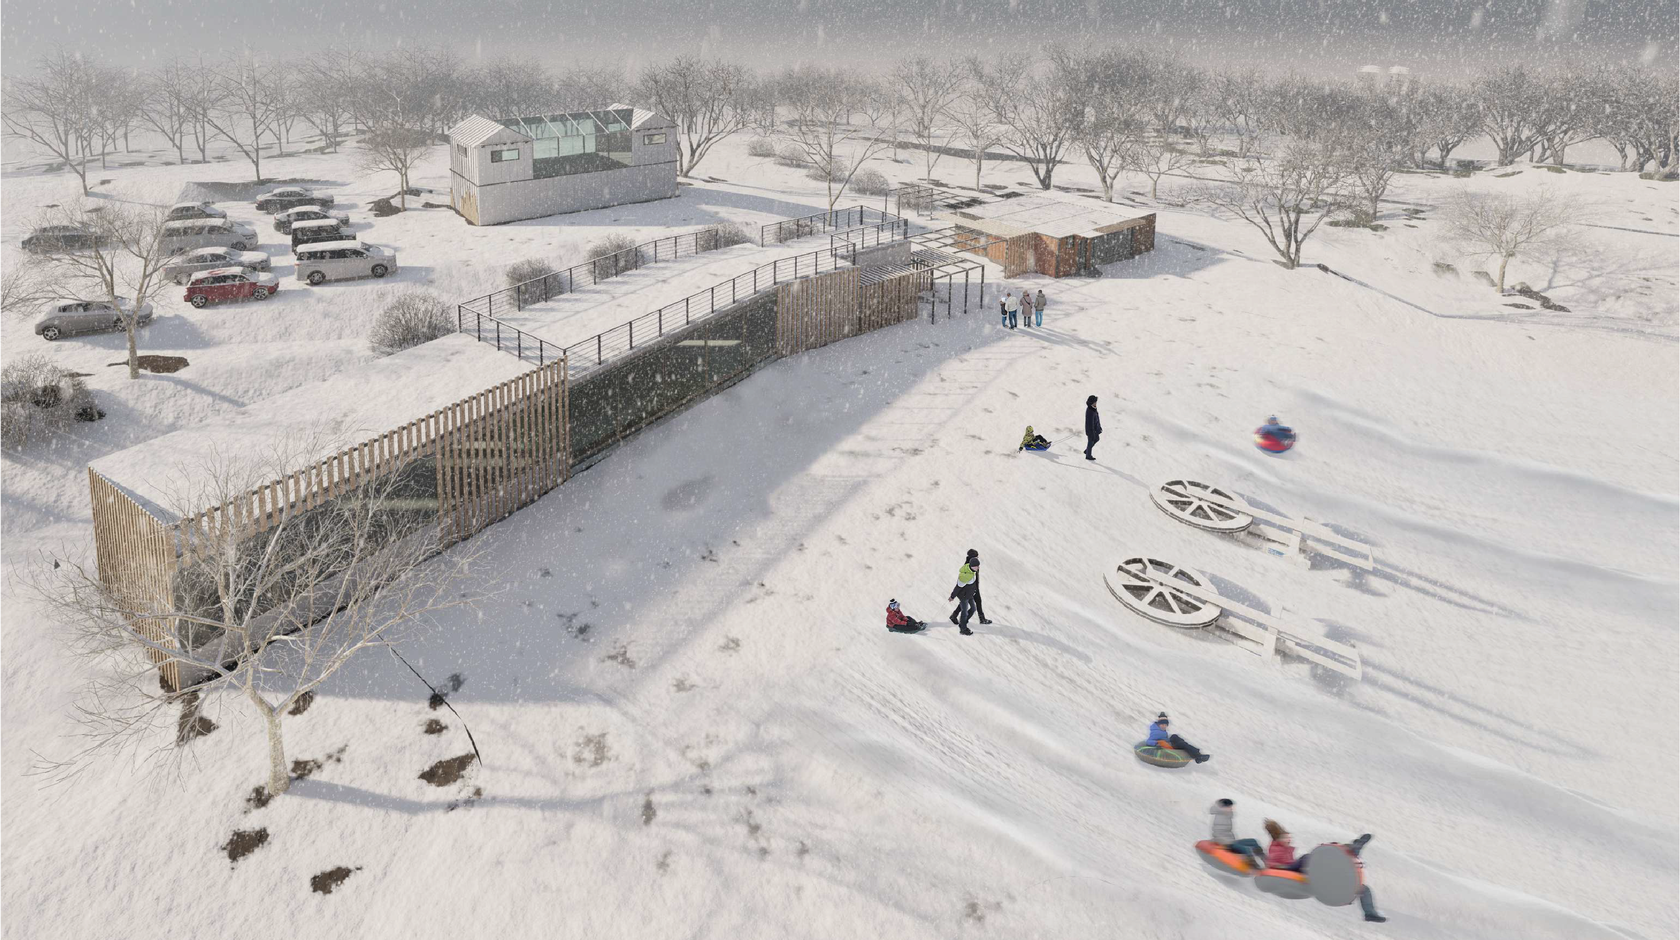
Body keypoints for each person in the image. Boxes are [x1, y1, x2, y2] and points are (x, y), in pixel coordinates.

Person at [1262, 821, 1384, 922]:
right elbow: (1273, 864)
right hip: (1286, 869)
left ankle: (1370, 913)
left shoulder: (1283, 847)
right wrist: (1278, 868)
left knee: (1363, 889)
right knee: (1308, 858)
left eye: (1289, 837)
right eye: (1286, 837)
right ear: (1278, 839)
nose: (1289, 839)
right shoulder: (1276, 848)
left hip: (1328, 879)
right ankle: (1353, 848)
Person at [1210, 799, 1266, 868]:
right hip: (1226, 843)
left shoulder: (1226, 816)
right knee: (1246, 849)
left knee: (1253, 842)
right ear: (1223, 807)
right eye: (1230, 807)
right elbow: (1217, 833)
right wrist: (1227, 844)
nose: (1232, 808)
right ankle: (1254, 867)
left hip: (1232, 841)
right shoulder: (1220, 818)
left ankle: (1266, 861)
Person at [949, 548, 992, 628]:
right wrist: (953, 596)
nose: (978, 557)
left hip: (973, 587)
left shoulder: (973, 563)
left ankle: (954, 615)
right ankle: (980, 619)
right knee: (976, 601)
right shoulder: (971, 565)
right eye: (976, 556)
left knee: (966, 602)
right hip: (970, 588)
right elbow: (963, 581)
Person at [1145, 713, 1210, 763]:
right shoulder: (1155, 731)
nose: (1164, 726)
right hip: (1167, 746)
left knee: (1174, 736)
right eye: (1162, 724)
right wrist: (1156, 743)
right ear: (1159, 724)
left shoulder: (1161, 730)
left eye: (1165, 725)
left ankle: (1193, 751)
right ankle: (1198, 757)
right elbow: (1148, 741)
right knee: (1182, 744)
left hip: (1168, 743)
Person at [1084, 395, 1102, 461]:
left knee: (1096, 439)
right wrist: (1092, 432)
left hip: (1095, 429)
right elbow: (1090, 423)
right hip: (1091, 430)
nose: (1096, 403)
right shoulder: (1090, 411)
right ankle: (1088, 456)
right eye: (1095, 402)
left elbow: (1097, 419)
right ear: (1091, 402)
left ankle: (1087, 450)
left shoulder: (1093, 408)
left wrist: (1099, 427)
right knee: (1090, 441)